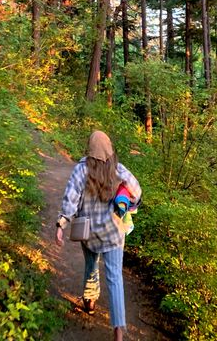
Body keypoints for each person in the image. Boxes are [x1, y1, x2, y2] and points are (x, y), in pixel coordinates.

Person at [55, 130, 141, 341]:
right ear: (110, 150)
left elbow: (71, 199)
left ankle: (90, 301)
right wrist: (128, 205)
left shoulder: (80, 171)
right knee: (115, 280)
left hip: (89, 234)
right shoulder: (118, 170)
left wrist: (61, 224)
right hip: (114, 233)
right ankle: (118, 332)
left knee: (91, 266)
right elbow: (137, 191)